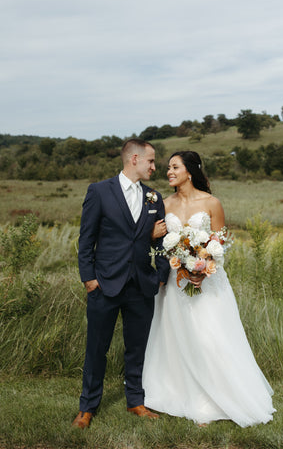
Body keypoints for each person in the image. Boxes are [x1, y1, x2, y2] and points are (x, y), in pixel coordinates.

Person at [143, 150, 276, 427]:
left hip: (208, 282)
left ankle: (215, 397)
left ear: (189, 171)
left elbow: (220, 243)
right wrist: (177, 261)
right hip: (176, 283)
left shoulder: (212, 203)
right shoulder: (164, 204)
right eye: (167, 167)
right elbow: (157, 242)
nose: (168, 172)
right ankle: (181, 392)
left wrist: (203, 269)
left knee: (209, 337)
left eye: (174, 167)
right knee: (178, 337)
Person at [72, 139, 169, 429]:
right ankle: (87, 407)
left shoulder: (154, 197)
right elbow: (86, 240)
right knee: (96, 348)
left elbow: (162, 242)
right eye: (151, 161)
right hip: (104, 284)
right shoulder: (99, 191)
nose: (154, 166)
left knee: (137, 347)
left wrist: (161, 275)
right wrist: (89, 279)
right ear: (135, 159)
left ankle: (135, 401)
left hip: (141, 285)